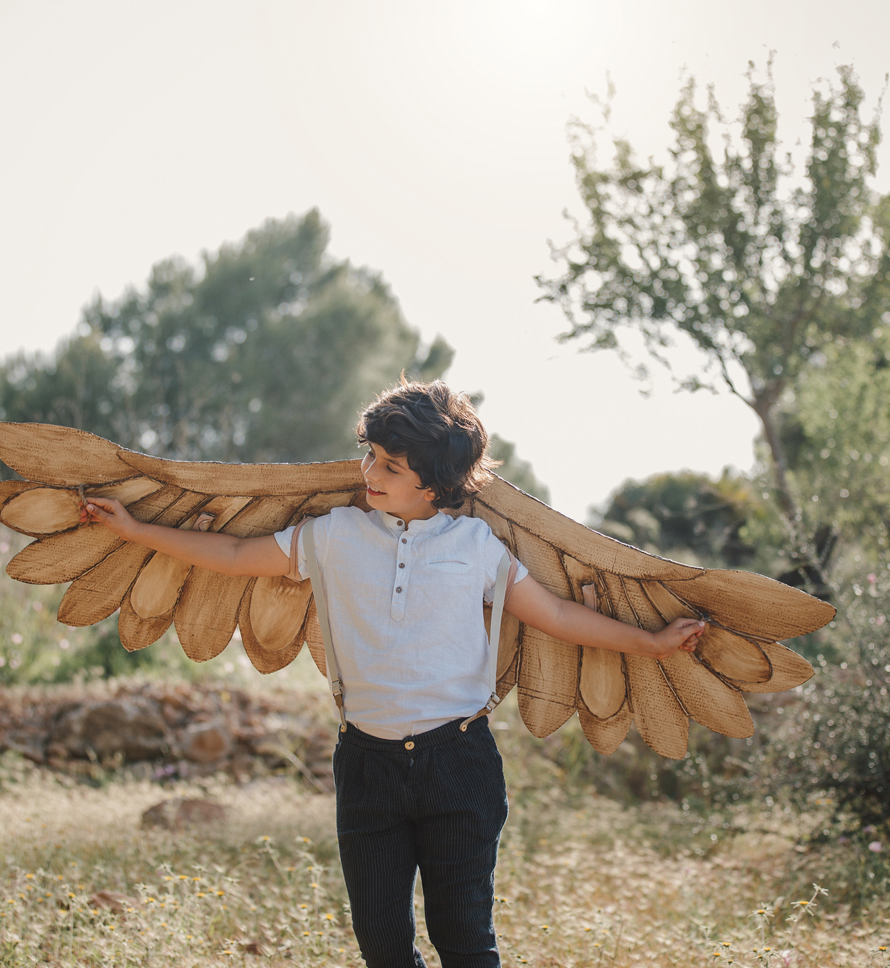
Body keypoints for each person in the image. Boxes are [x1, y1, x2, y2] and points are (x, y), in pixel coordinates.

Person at [79, 380, 704, 968]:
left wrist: (649, 644)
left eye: (390, 466)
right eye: (371, 456)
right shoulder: (332, 535)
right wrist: (138, 530)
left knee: (463, 939)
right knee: (382, 946)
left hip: (458, 764)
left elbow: (559, 613)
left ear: (433, 486)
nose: (370, 474)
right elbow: (240, 555)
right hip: (367, 765)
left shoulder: (477, 547)